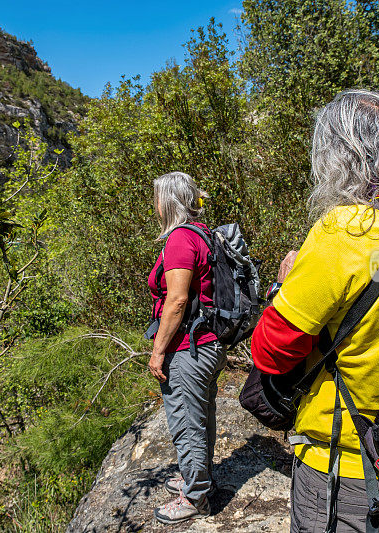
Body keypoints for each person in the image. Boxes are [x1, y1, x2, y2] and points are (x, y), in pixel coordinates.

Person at [251, 89, 379, 532]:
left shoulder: (345, 230)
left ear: (339, 156)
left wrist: (287, 287)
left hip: (347, 461)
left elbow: (271, 352)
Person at [147, 171, 226, 525]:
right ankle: (199, 479)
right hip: (210, 343)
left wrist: (158, 351)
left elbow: (177, 301)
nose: (154, 205)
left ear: (166, 201)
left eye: (156, 198)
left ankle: (195, 497)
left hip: (188, 349)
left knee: (186, 422)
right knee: (202, 417)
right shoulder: (203, 234)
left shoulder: (179, 239)